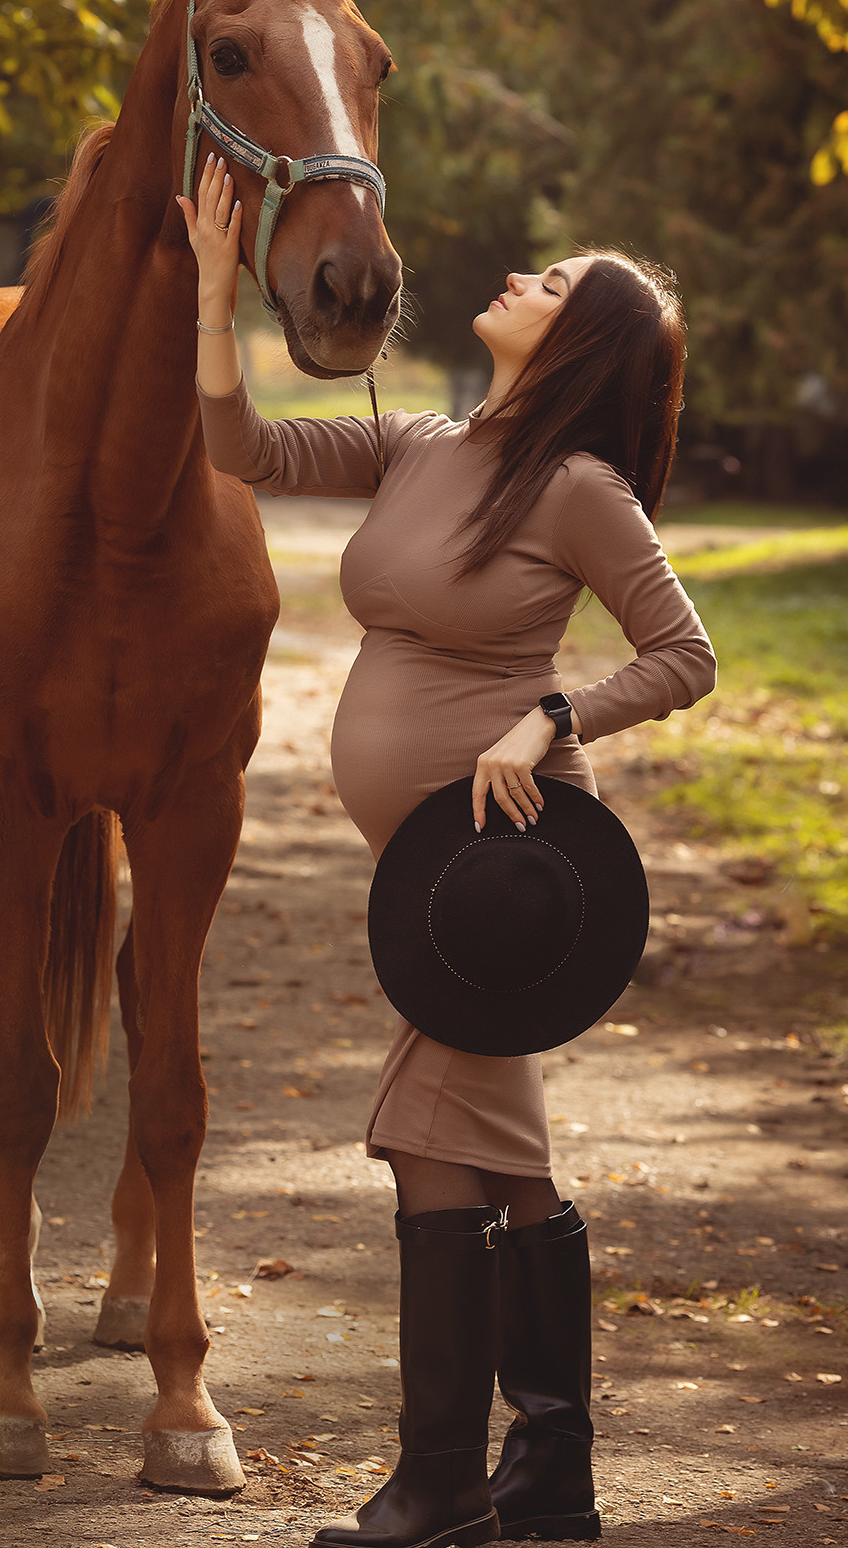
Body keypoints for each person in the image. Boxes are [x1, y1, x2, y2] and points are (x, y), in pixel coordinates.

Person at [178, 156, 716, 1547]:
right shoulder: (423, 444)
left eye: (553, 283)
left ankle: (442, 1488)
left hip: (505, 871)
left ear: (579, 341)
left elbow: (684, 653)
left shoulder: (577, 487)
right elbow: (245, 449)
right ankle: (545, 1470)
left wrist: (551, 717)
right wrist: (213, 298)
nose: (522, 277)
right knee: (503, 1152)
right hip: (441, 875)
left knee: (423, 1136)